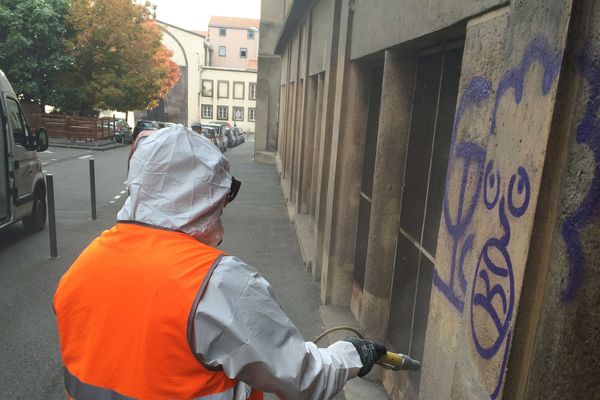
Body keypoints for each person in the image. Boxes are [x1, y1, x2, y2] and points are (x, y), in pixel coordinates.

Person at [53, 125, 386, 400]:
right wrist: (354, 355)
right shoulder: (217, 283)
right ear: (205, 197)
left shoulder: (85, 264)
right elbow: (302, 377)